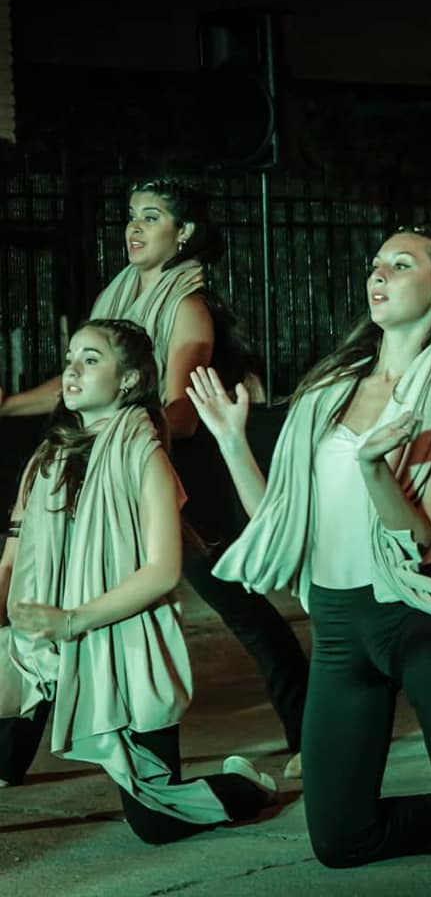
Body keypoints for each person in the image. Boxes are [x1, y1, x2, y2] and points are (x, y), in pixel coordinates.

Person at [187, 227, 431, 897]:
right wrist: (232, 441)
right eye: (377, 263)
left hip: (409, 607)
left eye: (401, 265)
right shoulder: (328, 390)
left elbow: (417, 534)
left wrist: (374, 467)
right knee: (339, 840)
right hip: (337, 624)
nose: (379, 274)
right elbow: (280, 520)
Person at [0, 176, 309, 777]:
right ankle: (9, 758)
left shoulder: (188, 306)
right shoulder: (115, 298)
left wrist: (126, 446)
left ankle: (308, 734)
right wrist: (10, 405)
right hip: (106, 462)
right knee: (60, 590)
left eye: (151, 216)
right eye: (131, 215)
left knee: (239, 605)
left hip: (172, 468)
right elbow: (86, 378)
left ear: (184, 232)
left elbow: (180, 411)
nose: (134, 228)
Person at [0, 319, 275, 842]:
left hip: (124, 645)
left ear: (128, 380)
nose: (72, 371)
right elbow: (15, 551)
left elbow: (162, 572)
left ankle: (246, 787)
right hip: (44, 638)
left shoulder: (144, 453)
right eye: (70, 359)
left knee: (156, 821)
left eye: (91, 360)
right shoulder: (49, 456)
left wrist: (71, 620)